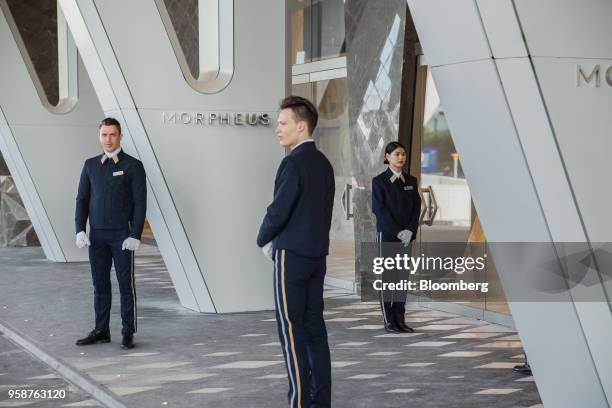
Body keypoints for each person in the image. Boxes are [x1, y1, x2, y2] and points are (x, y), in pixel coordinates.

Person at [257, 96, 334, 408]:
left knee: (292, 333)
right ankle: (321, 401)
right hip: (317, 257)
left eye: (283, 123)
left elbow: (279, 210)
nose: (278, 129)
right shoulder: (324, 164)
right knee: (315, 329)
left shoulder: (293, 163)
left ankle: (299, 402)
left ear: (301, 127)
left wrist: (263, 238)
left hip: (291, 258)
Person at [74, 117, 147, 350]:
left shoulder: (133, 165)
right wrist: (79, 230)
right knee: (100, 285)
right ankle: (101, 330)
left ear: (120, 136)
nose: (108, 139)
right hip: (97, 237)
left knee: (126, 285)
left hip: (122, 236)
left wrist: (135, 233)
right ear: (99, 136)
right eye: (104, 135)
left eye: (112, 134)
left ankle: (127, 332)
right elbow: (82, 199)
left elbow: (140, 203)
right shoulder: (90, 165)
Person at [372, 141, 421, 334]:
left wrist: (410, 230)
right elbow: (379, 210)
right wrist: (398, 231)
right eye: (397, 154)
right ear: (387, 157)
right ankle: (389, 321)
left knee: (402, 279)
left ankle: (400, 319)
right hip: (388, 236)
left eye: (403, 154)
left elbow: (416, 208)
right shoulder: (379, 181)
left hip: (407, 237)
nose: (401, 157)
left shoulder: (411, 181)